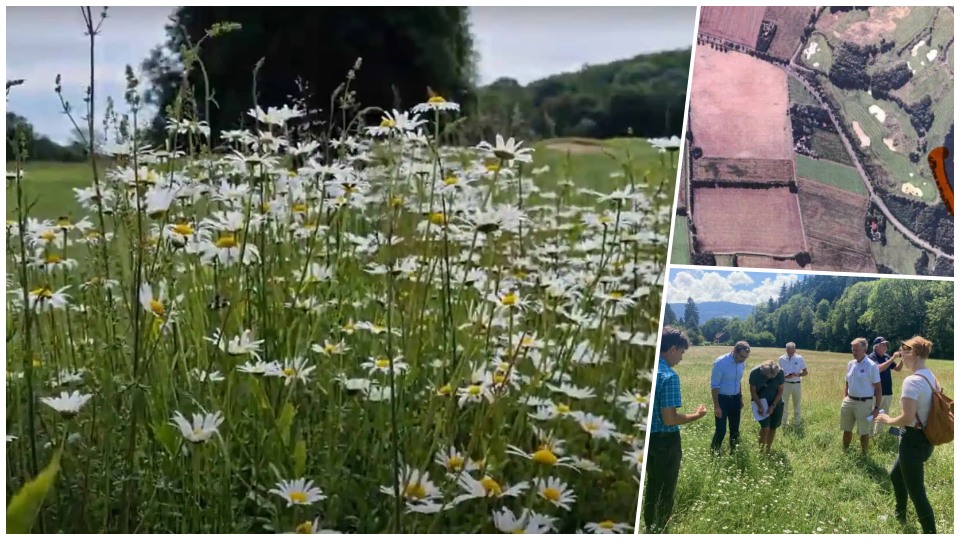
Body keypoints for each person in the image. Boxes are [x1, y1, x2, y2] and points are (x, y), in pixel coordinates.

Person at [644, 326, 708, 534]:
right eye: (681, 352)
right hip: (665, 441)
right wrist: (696, 415)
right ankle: (661, 528)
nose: (681, 358)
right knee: (666, 487)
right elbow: (670, 419)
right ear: (672, 349)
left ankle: (648, 523)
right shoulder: (669, 376)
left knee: (652, 483)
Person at [874, 336, 939, 534]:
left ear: (913, 353)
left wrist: (887, 420)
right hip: (926, 438)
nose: (900, 354)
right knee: (895, 475)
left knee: (918, 493)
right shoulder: (931, 376)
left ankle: (930, 533)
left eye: (903, 351)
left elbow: (906, 417)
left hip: (912, 441)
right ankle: (899, 514)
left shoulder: (911, 381)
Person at [840, 337, 882, 454]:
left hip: (864, 403)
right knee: (846, 429)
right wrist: (845, 397)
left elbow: (878, 389)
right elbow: (847, 382)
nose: (854, 352)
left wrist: (876, 408)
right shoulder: (850, 364)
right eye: (853, 350)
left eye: (857, 350)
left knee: (863, 431)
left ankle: (864, 455)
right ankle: (845, 452)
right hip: (849, 401)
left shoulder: (871, 366)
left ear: (864, 350)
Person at [710, 341, 750, 453]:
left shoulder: (742, 362)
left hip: (736, 399)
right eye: (741, 356)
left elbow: (738, 381)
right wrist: (716, 406)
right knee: (721, 430)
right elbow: (714, 385)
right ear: (734, 351)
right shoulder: (721, 362)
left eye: (746, 357)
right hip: (722, 400)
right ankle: (714, 453)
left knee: (735, 429)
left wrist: (740, 398)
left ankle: (734, 452)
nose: (743, 359)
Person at [868, 336, 904, 435]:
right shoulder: (871, 357)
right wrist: (893, 358)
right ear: (876, 346)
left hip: (887, 391)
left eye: (885, 345)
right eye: (883, 345)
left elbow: (897, 368)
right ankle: (869, 434)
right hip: (875, 392)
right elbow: (878, 369)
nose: (885, 347)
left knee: (883, 414)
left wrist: (902, 359)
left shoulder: (886, 356)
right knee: (872, 414)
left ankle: (878, 434)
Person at [749, 360, 785, 454]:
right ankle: (760, 451)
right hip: (760, 402)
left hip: (776, 402)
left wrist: (773, 405)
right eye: (769, 376)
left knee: (773, 427)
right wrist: (760, 405)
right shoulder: (755, 373)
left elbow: (780, 391)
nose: (771, 377)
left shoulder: (780, 372)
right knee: (765, 428)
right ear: (762, 371)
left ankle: (768, 450)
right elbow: (753, 391)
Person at [778, 342, 808, 426]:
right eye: (789, 352)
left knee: (797, 405)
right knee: (784, 405)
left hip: (796, 384)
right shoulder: (781, 358)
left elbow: (805, 372)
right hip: (785, 384)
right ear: (786, 350)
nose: (790, 354)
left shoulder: (799, 358)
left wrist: (798, 374)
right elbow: (778, 373)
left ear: (795, 350)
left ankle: (797, 423)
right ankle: (784, 423)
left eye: (792, 352)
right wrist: (785, 376)